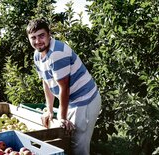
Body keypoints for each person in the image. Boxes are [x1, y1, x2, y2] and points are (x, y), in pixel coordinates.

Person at [26, 18, 102, 155]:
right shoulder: (37, 55)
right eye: (33, 38)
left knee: (78, 148)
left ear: (49, 34)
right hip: (72, 100)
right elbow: (46, 82)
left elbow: (64, 88)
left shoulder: (57, 54)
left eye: (41, 36)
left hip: (84, 100)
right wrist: (49, 110)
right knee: (68, 141)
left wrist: (62, 118)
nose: (38, 41)